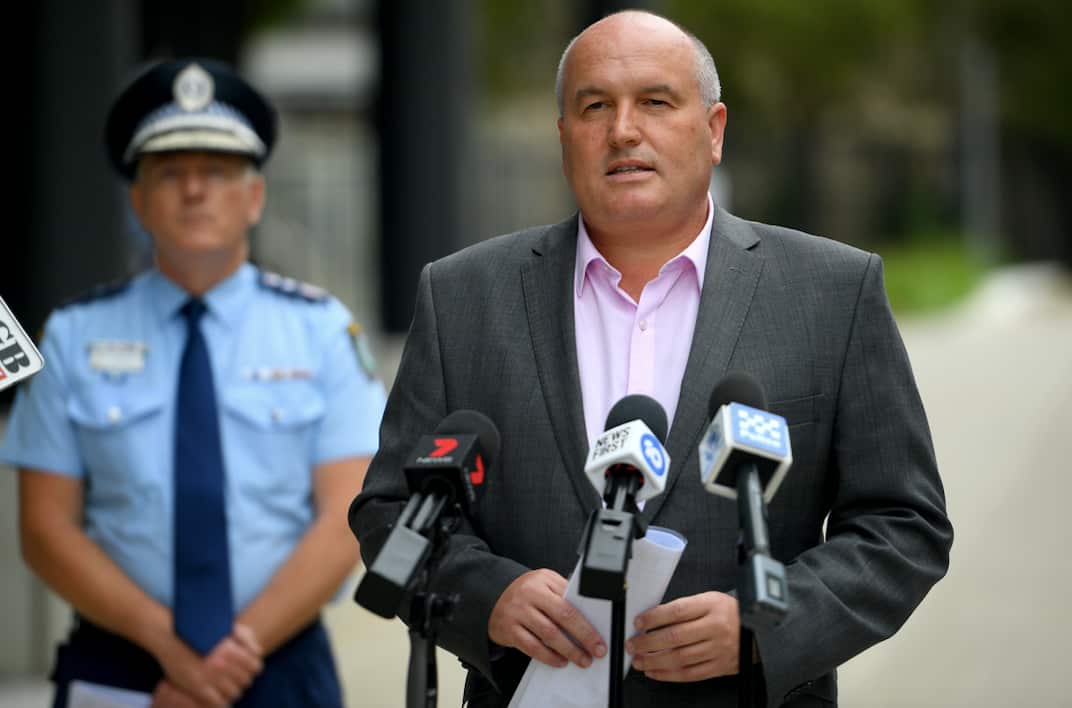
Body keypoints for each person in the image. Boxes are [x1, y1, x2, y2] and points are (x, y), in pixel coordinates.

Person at [351, 10, 952, 708]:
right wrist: (488, 598)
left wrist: (766, 624)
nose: (623, 130)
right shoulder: (462, 297)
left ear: (714, 130)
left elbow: (903, 526)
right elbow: (391, 508)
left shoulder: (832, 292)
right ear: (564, 137)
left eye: (656, 102)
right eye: (595, 107)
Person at [1, 58, 385, 707]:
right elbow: (44, 528)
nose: (195, 191)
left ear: (255, 197)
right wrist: (173, 650)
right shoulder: (72, 336)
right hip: (120, 661)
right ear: (137, 200)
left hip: (280, 663)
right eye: (171, 173)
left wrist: (235, 654)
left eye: (218, 172)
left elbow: (347, 514)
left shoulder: (321, 331)